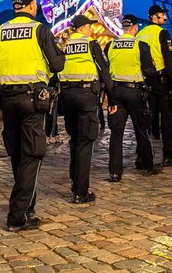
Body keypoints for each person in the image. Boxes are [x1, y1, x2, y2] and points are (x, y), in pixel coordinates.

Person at [0, 0, 65, 232]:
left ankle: (28, 206)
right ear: (30, 6)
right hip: (32, 98)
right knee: (33, 154)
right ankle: (17, 215)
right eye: (35, 3)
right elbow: (57, 64)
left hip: (7, 98)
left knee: (17, 153)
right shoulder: (39, 30)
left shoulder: (0, 31)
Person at [58, 14, 116, 204]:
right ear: (82, 28)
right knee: (85, 141)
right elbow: (103, 71)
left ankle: (75, 182)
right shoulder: (91, 44)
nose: (92, 29)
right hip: (85, 96)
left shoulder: (64, 44)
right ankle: (80, 192)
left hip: (66, 96)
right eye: (89, 26)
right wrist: (112, 98)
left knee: (75, 140)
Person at [105, 14, 160, 181]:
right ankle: (148, 165)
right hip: (135, 92)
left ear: (123, 27)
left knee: (116, 134)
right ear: (135, 28)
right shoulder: (140, 45)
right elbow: (149, 70)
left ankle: (115, 172)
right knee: (141, 130)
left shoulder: (110, 45)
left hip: (116, 92)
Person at [136, 5, 172, 167]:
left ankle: (141, 156)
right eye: (162, 15)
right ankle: (167, 155)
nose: (165, 18)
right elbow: (169, 61)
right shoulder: (162, 33)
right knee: (166, 120)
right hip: (162, 83)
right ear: (154, 17)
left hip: (145, 82)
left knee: (145, 121)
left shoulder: (139, 34)